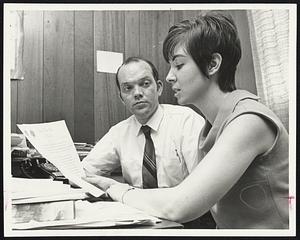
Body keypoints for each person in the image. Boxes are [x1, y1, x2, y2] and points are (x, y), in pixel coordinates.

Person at [84, 11, 289, 229]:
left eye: (179, 65)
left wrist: (115, 188)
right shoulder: (215, 125)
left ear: (212, 64)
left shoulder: (248, 121)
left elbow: (179, 206)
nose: (170, 75)